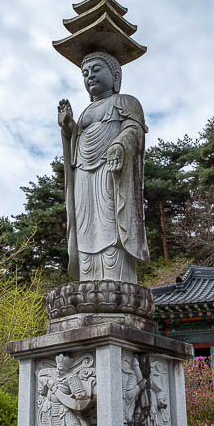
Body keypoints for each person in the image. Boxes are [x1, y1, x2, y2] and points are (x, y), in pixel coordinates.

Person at [57, 51, 149, 284]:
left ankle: (117, 281)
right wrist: (68, 127)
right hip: (83, 173)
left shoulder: (126, 102)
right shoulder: (86, 112)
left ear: (115, 74)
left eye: (96, 70)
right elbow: (75, 142)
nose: (89, 77)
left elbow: (134, 131)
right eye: (85, 73)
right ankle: (88, 281)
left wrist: (119, 144)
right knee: (86, 224)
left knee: (110, 220)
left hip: (110, 170)